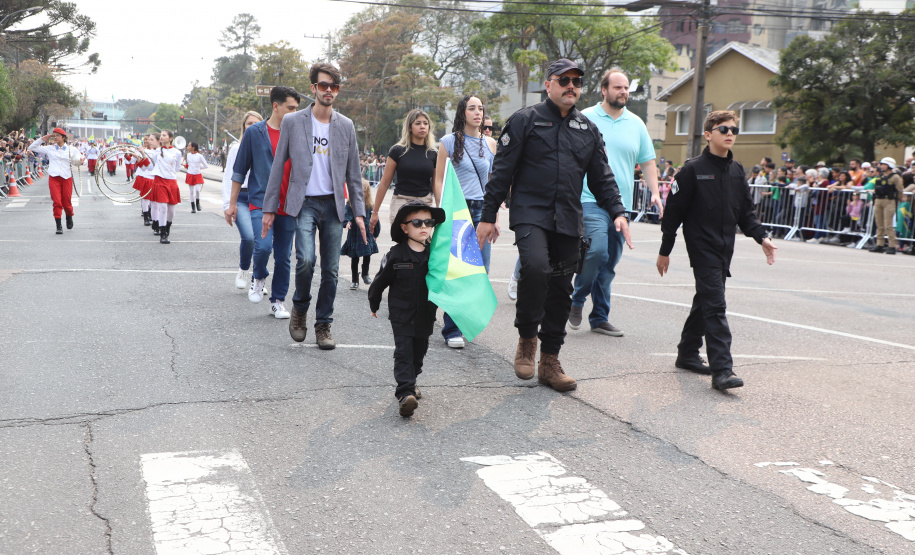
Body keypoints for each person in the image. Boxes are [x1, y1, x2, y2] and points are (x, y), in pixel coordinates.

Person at [477, 58, 630, 392]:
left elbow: (603, 177)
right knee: (534, 267)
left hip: (568, 219)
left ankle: (549, 360)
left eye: (576, 80)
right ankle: (527, 338)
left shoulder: (587, 129)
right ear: (548, 84)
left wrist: (618, 211)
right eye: (564, 80)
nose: (571, 86)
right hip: (531, 212)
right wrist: (488, 216)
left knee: (562, 289)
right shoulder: (524, 121)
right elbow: (502, 172)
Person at [656, 110, 777, 390]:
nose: (730, 134)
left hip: (725, 249)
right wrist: (665, 250)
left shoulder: (736, 171)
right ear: (709, 135)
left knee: (706, 301)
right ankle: (722, 370)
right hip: (702, 248)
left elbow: (746, 213)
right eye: (724, 129)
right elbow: (673, 215)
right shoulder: (691, 170)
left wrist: (763, 238)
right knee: (716, 305)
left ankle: (687, 353)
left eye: (734, 129)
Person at [261, 63, 366, 349]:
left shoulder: (345, 126)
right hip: (304, 202)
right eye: (323, 85)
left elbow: (354, 174)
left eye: (333, 86)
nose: (328, 90)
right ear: (313, 88)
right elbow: (278, 167)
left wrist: (359, 213)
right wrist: (269, 208)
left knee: (331, 270)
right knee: (306, 260)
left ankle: (323, 324)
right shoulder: (294, 122)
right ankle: (300, 309)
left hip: (333, 205)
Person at [568, 68, 662, 337]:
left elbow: (648, 160)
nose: (623, 92)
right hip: (589, 200)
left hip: (622, 206)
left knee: (608, 265)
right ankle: (576, 299)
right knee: (596, 252)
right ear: (604, 90)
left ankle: (599, 318)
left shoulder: (636, 123)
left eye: (626, 88)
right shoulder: (585, 117)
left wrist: (654, 192)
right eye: (618, 87)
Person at [368, 201, 446, 417]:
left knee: (419, 352)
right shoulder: (396, 255)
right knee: (404, 352)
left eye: (428, 222)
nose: (424, 226)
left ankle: (412, 380)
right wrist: (374, 303)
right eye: (417, 222)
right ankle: (405, 394)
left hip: (426, 315)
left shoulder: (435, 255)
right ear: (404, 227)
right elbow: (379, 281)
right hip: (401, 314)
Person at [227, 87, 300, 319]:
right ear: (275, 106)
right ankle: (258, 276)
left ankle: (278, 301)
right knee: (263, 247)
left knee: (284, 256)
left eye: (297, 109)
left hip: (288, 204)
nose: (294, 113)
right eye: (290, 108)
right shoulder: (255, 133)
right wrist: (231, 204)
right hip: (259, 201)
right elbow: (239, 171)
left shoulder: (298, 131)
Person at [433, 96, 499, 348]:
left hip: (483, 209)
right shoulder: (448, 142)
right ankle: (452, 328)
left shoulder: (490, 143)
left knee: (481, 268)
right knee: (458, 270)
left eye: (481, 108)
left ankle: (465, 321)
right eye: (472, 108)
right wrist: (444, 210)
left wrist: (494, 217)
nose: (478, 112)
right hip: (458, 210)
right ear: (462, 113)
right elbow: (438, 179)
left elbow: (492, 184)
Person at [370, 108, 437, 229]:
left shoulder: (433, 153)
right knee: (402, 243)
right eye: (418, 123)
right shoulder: (397, 150)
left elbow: (437, 184)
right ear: (410, 127)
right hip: (401, 201)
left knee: (422, 244)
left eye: (425, 123)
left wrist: (441, 208)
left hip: (424, 202)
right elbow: (385, 183)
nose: (422, 126)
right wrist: (375, 212)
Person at [223, 111, 263, 290]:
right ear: (244, 127)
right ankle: (243, 269)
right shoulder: (236, 149)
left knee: (263, 242)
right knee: (248, 237)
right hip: (240, 197)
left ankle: (258, 278)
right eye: (249, 123)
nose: (252, 126)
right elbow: (229, 178)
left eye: (256, 123)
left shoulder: (266, 148)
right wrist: (228, 204)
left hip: (260, 198)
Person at [27, 128, 84, 234]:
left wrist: (81, 160)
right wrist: (42, 139)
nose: (55, 138)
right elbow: (32, 147)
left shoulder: (71, 149)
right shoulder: (50, 148)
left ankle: (69, 215)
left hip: (66, 177)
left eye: (57, 136)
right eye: (54, 136)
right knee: (57, 202)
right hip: (54, 177)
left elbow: (80, 158)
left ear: (64, 137)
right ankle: (58, 225)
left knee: (66, 202)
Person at [141, 130, 183, 244]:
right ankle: (163, 233)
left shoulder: (177, 152)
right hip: (159, 181)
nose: (162, 137)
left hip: (172, 182)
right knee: (163, 207)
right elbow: (149, 167)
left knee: (171, 211)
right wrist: (142, 155)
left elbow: (177, 168)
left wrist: (169, 174)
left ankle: (167, 227)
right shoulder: (157, 152)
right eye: (161, 135)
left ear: (170, 138)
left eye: (164, 135)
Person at [342, 179, 379, 289]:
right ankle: (354, 279)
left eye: (363, 191)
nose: (361, 194)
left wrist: (375, 233)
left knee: (367, 254)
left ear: (367, 193)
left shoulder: (369, 206)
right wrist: (347, 223)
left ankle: (365, 273)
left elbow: (375, 221)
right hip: (354, 235)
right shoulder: (350, 205)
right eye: (358, 191)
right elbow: (346, 215)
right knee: (355, 257)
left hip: (367, 234)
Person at [868, 157, 904, 255]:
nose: (882, 166)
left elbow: (899, 189)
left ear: (890, 165)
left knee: (888, 225)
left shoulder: (895, 177)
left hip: (889, 201)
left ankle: (892, 246)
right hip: (879, 200)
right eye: (882, 164)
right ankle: (880, 244)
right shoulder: (880, 176)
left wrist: (900, 201)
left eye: (884, 164)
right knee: (879, 224)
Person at [134, 135, 157, 226]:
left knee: (155, 201)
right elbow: (144, 168)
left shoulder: (161, 152)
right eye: (147, 140)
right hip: (147, 177)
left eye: (151, 140)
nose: (148, 142)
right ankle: (146, 216)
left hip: (158, 179)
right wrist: (138, 156)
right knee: (146, 198)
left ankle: (154, 217)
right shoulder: (144, 151)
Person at [184, 142, 209, 213]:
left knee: (197, 190)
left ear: (193, 147)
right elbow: (188, 164)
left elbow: (206, 165)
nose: (187, 147)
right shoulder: (188, 155)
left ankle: (198, 203)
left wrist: (198, 167)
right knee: (191, 191)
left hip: (197, 174)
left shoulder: (199, 156)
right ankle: (193, 206)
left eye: (189, 146)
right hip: (190, 174)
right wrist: (187, 166)